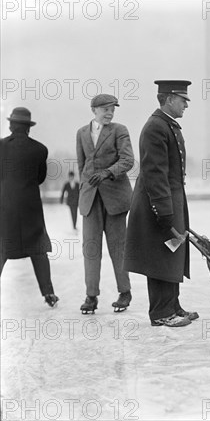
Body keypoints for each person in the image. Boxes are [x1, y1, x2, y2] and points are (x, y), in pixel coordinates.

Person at [124, 80, 197, 328]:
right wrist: (164, 211)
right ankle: (161, 312)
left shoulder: (167, 125)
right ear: (168, 99)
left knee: (172, 253)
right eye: (182, 100)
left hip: (171, 201)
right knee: (161, 257)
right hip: (159, 204)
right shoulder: (156, 127)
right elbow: (155, 173)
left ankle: (172, 304)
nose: (186, 105)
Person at [76, 94, 134, 314]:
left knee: (118, 248)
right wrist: (85, 189)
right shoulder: (81, 133)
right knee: (90, 249)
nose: (110, 113)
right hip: (90, 199)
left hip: (115, 198)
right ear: (94, 110)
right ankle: (91, 296)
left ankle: (125, 292)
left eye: (112, 109)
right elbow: (83, 166)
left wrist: (108, 173)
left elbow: (127, 160)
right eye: (105, 109)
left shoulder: (120, 130)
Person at [0, 107, 59, 307]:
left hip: (5, 206)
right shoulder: (40, 149)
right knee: (38, 249)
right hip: (30, 208)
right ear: (28, 128)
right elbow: (40, 178)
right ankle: (49, 294)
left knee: (2, 248)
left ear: (10, 125)